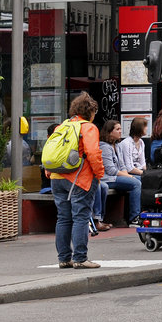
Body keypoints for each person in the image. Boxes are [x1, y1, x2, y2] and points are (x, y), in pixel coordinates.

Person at [48, 92, 104, 269]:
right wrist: (99, 173)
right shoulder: (88, 127)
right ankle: (80, 258)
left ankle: (64, 258)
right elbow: (93, 153)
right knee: (81, 216)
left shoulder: (62, 126)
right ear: (90, 112)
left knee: (63, 218)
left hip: (57, 177)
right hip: (80, 178)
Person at [99, 120, 142, 225]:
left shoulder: (117, 146)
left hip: (117, 177)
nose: (120, 132)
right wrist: (129, 177)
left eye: (120, 129)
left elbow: (122, 166)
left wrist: (128, 175)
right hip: (107, 179)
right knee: (135, 183)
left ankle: (141, 213)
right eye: (117, 129)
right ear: (109, 132)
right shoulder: (104, 147)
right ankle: (134, 218)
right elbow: (111, 170)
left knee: (141, 179)